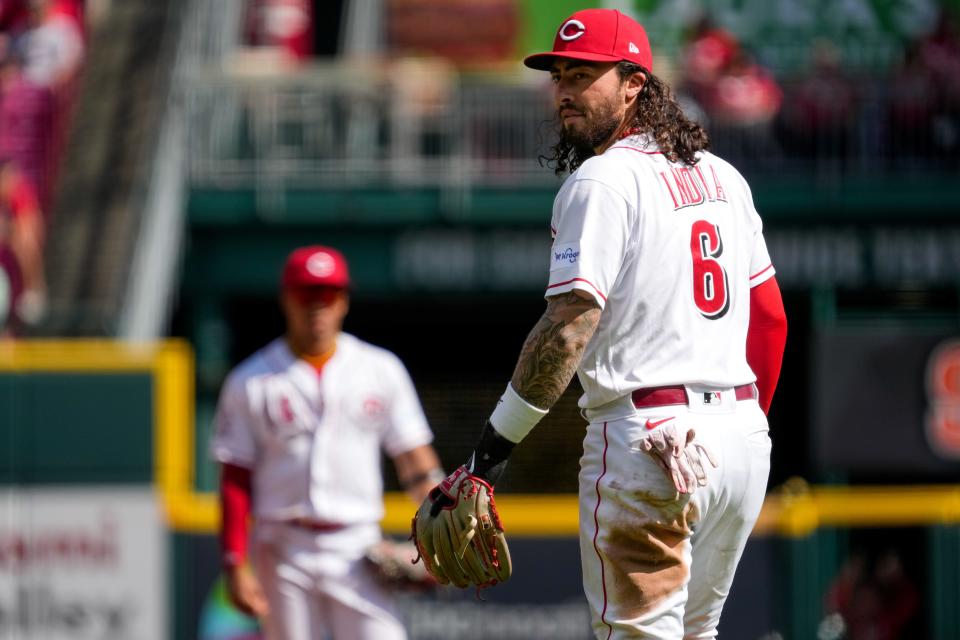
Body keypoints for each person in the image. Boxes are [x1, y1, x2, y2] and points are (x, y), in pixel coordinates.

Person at [417, 8, 787, 639]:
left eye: (585, 74)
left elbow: (567, 330)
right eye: (559, 73)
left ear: (635, 82)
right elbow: (771, 319)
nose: (564, 89)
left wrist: (486, 457)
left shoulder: (603, 180)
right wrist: (745, 425)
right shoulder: (724, 177)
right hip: (739, 447)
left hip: (649, 445)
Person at [210, 245, 444, 640]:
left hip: (358, 546)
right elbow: (235, 479)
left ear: (343, 301)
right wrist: (235, 562)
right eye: (306, 294)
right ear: (287, 299)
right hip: (283, 545)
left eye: (328, 294)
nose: (317, 305)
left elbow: (414, 460)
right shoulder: (248, 381)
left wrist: (440, 522)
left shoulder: (379, 368)